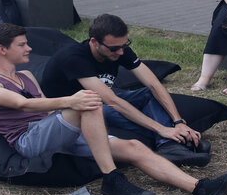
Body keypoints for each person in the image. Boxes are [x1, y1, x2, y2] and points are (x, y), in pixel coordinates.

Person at [0, 23, 227, 195]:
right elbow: (22, 105)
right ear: (2, 49)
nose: (29, 48)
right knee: (89, 101)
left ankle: (203, 188)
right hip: (28, 141)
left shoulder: (27, 75)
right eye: (22, 44)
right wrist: (72, 101)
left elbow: (50, 108)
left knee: (133, 146)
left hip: (55, 131)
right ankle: (112, 179)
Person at [39, 14, 209, 166]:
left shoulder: (119, 50)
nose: (120, 52)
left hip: (99, 103)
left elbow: (153, 84)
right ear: (94, 42)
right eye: (114, 48)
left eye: (124, 45)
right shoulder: (74, 58)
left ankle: (171, 145)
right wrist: (161, 128)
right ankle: (171, 142)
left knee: (149, 94)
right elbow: (112, 102)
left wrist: (178, 122)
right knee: (108, 108)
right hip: (70, 113)